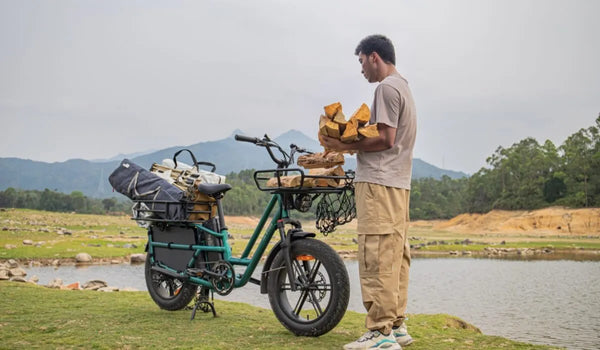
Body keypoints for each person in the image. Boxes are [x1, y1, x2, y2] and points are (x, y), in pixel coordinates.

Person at [319, 34, 417, 350]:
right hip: (398, 183)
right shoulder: (404, 86)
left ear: (374, 57)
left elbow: (386, 139)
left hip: (379, 183)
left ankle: (379, 332)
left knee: (375, 254)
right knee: (395, 255)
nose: (362, 70)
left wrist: (343, 145)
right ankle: (396, 325)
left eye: (361, 61)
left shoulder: (386, 88)